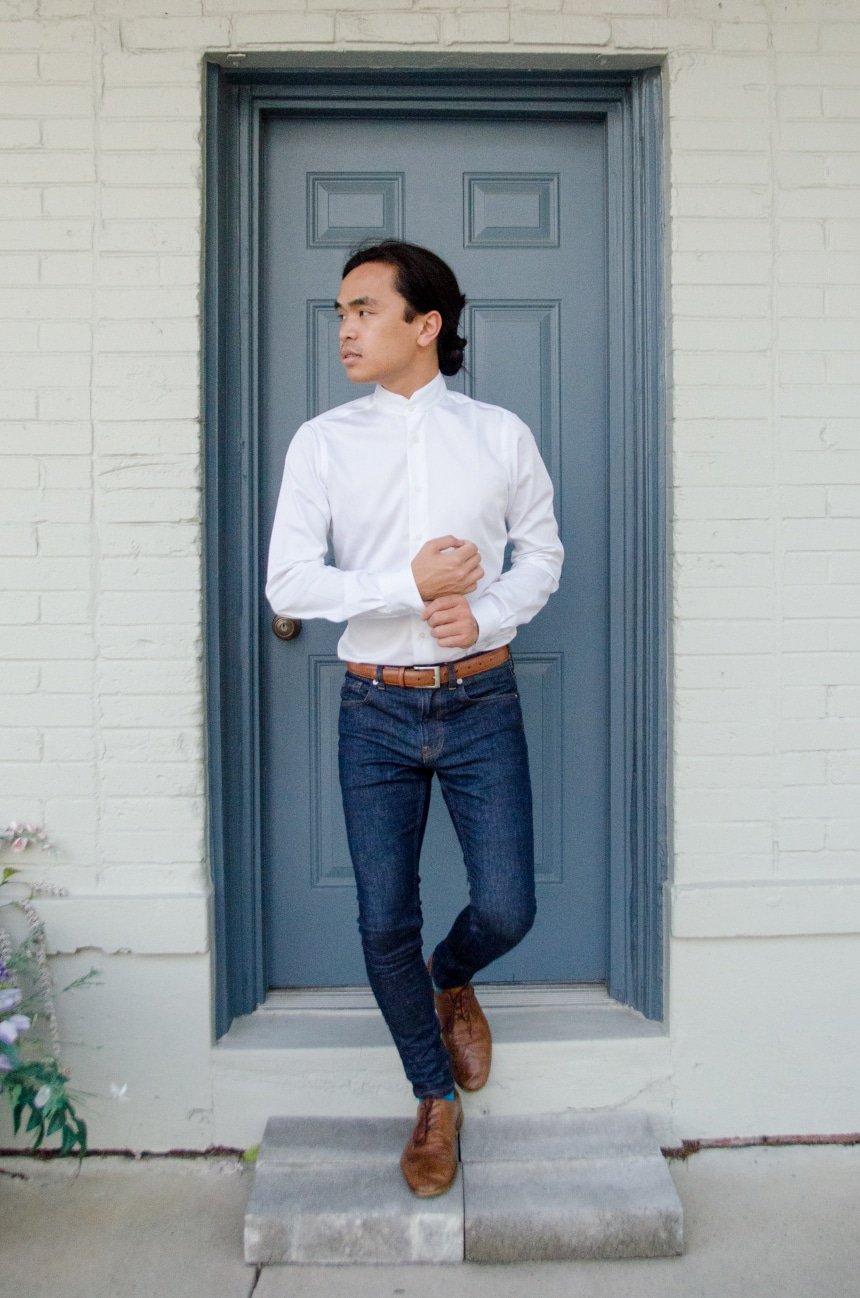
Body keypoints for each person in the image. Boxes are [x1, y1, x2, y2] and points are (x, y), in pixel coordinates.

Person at [266, 240, 563, 1198]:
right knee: (381, 918)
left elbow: (542, 555)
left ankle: (454, 975)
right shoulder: (321, 441)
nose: (346, 328)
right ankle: (433, 1098)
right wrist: (409, 584)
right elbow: (289, 581)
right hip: (375, 709)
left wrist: (487, 612)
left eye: (364, 310)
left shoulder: (500, 435)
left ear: (424, 324)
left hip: (482, 698)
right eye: (341, 312)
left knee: (509, 904)